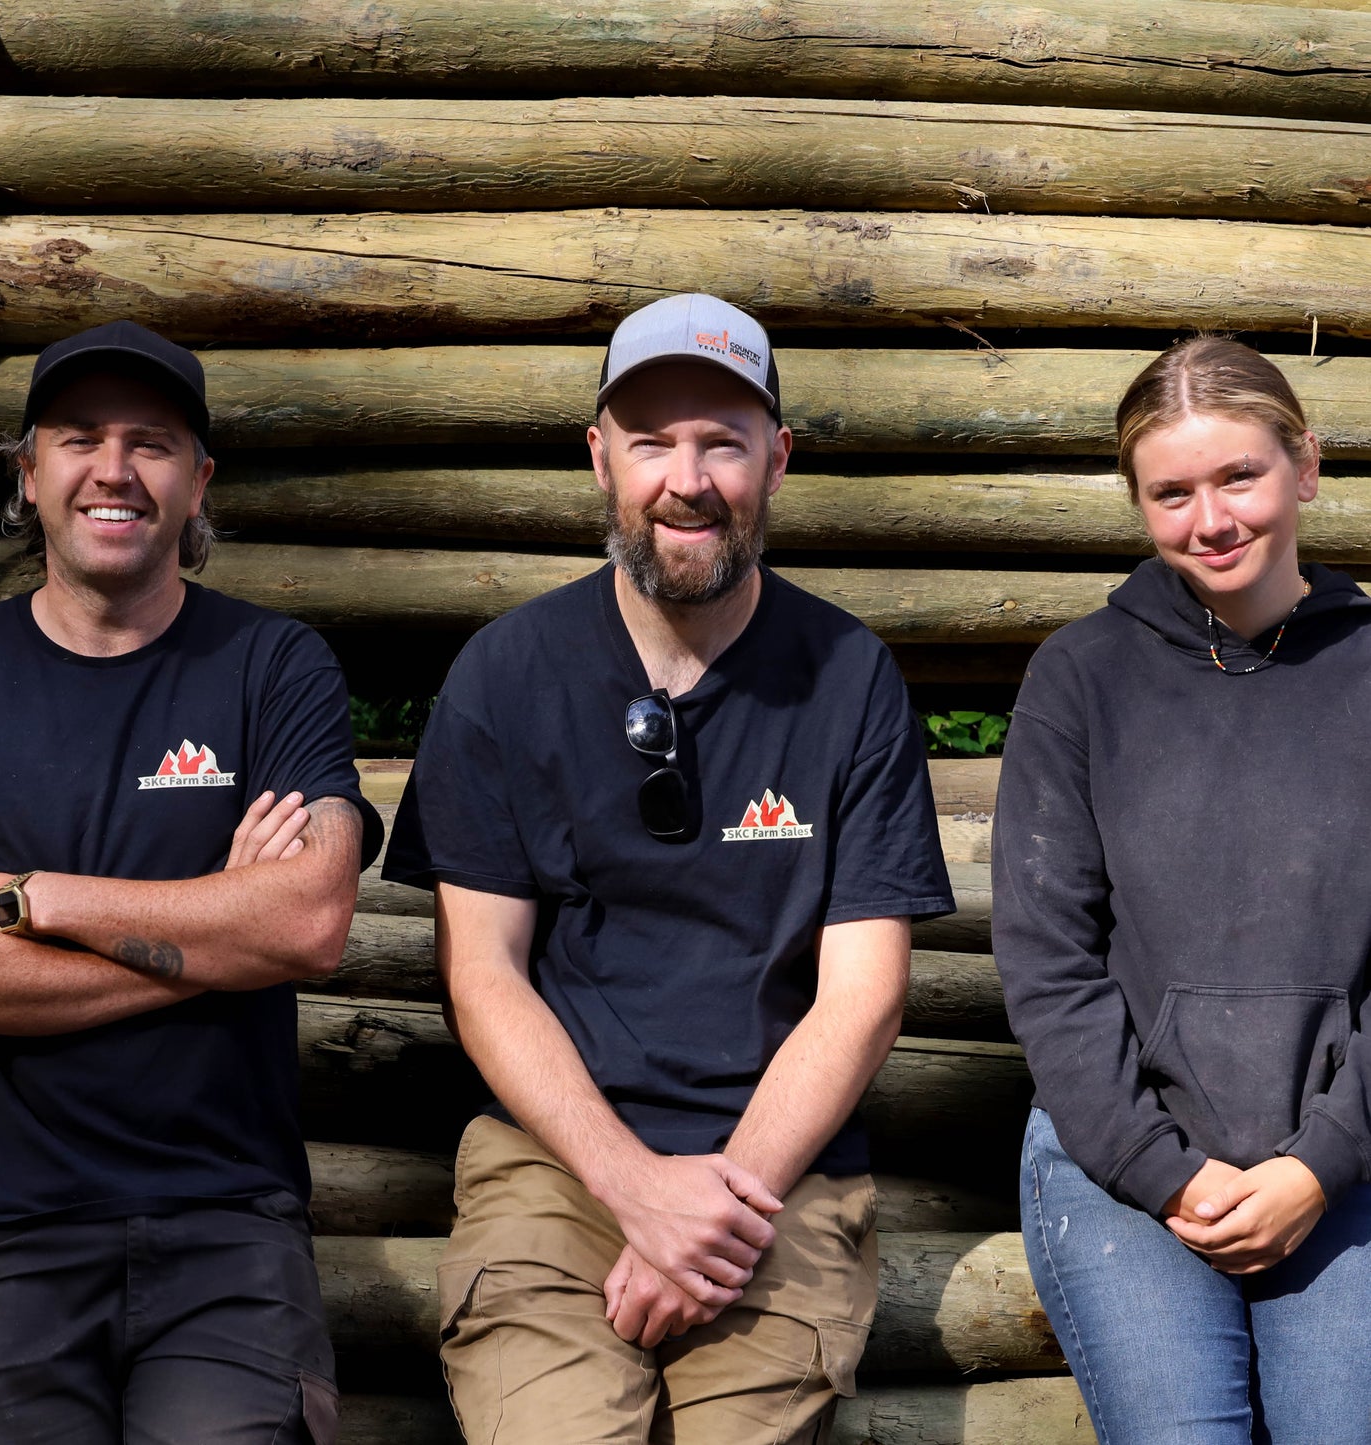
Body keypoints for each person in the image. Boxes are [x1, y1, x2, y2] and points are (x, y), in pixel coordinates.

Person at [383, 292, 955, 1444]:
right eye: (649, 440)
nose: (683, 478)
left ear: (775, 460)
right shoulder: (504, 674)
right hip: (553, 1158)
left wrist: (717, 1215)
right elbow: (482, 975)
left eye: (720, 442)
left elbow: (864, 994)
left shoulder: (848, 677)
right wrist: (636, 1188)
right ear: (599, 458)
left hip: (776, 1173)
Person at [0, 320, 384, 1444]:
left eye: (153, 442)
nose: (114, 469)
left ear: (198, 482)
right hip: (8, 1236)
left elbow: (310, 921)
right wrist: (214, 939)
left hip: (229, 1227)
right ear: (27, 475)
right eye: (79, 438)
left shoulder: (273, 664)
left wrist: (36, 899)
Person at [992, 336, 1371, 1443]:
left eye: (1237, 475)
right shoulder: (1079, 679)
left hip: (1344, 1157)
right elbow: (1046, 961)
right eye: (1170, 491)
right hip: (1123, 1166)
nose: (1208, 518)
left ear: (1302, 464)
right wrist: (1162, 1174)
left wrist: (1320, 1162)